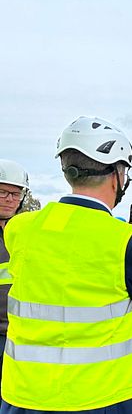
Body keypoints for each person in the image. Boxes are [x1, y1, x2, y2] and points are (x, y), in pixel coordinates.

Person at [1, 117, 132, 413]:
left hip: (26, 396)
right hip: (109, 397)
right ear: (117, 176)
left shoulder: (20, 228)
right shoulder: (128, 243)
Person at [0, 160, 30, 390]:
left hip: (21, 334)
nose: (10, 199)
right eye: (3, 192)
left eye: (15, 193)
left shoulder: (27, 233)